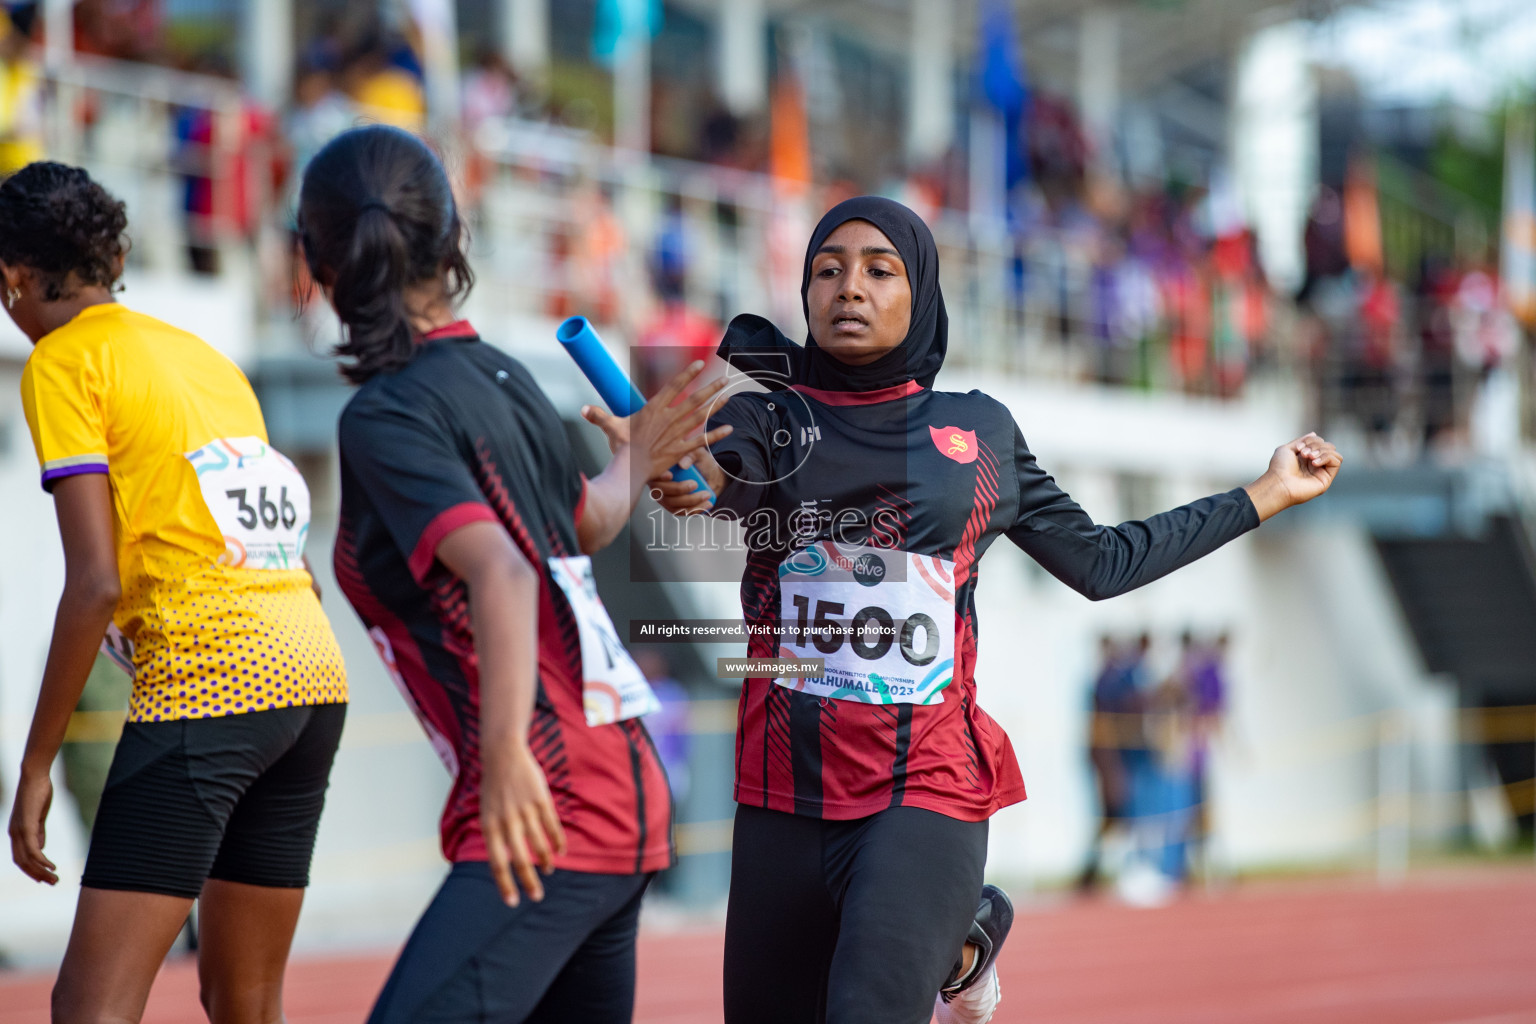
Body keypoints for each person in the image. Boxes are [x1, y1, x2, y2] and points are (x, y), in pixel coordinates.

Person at [626, 195, 1341, 1024]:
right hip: (782, 797)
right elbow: (714, 476)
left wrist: (1263, 494)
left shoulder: (976, 433)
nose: (848, 288)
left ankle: (948, 928)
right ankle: (965, 941)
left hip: (923, 787)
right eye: (828, 270)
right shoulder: (769, 415)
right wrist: (683, 477)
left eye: (877, 270)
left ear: (921, 290)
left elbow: (1101, 562)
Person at [297, 124, 731, 1023]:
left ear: (319, 265)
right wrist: (634, 458)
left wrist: (500, 760)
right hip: (622, 791)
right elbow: (586, 525)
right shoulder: (505, 376)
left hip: (553, 801)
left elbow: (504, 573)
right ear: (453, 240)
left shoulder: (387, 415)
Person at [4, 160, 349, 1023]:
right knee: (246, 999)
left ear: (11, 276)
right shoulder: (205, 360)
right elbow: (280, 549)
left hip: (213, 683)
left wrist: (37, 763)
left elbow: (93, 584)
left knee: (91, 1006)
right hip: (311, 674)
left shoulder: (60, 365)